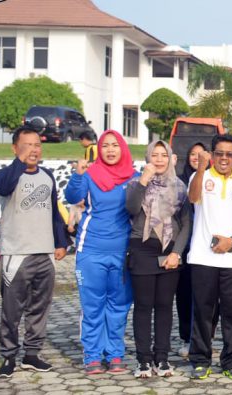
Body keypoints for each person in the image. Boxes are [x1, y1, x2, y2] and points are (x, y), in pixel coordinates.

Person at [0, 127, 69, 378]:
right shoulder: (6, 175)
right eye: (26, 145)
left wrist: (60, 242)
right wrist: (20, 161)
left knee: (40, 307)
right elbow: (3, 188)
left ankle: (32, 354)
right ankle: (8, 356)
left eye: (37, 144)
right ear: (15, 148)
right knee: (12, 309)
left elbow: (55, 213)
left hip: (44, 253)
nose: (33, 150)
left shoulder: (47, 176)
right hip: (17, 254)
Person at [185, 134, 232, 380]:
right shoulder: (201, 176)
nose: (224, 158)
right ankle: (200, 359)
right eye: (219, 153)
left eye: (229, 154)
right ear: (212, 154)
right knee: (204, 312)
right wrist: (202, 168)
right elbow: (193, 199)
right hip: (202, 258)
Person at [65, 129, 137, 375]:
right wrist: (78, 174)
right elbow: (72, 196)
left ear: (123, 148)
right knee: (93, 305)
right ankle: (93, 355)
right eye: (105, 145)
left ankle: (115, 353)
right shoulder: (90, 174)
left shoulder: (134, 177)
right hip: (91, 250)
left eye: (115, 145)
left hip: (123, 252)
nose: (110, 150)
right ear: (98, 149)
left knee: (119, 305)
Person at [125, 140, 192, 378]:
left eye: (164, 155)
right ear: (148, 157)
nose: (160, 159)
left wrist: (177, 253)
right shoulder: (135, 183)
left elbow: (186, 224)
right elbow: (132, 208)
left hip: (169, 252)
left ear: (171, 158)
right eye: (155, 155)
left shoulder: (180, 186)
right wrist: (144, 180)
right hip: (141, 250)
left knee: (164, 307)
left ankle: (161, 359)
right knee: (143, 307)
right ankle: (143, 360)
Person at [174, 142, 215, 358]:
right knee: (185, 294)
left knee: (209, 296)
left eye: (201, 154)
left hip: (208, 246)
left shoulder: (214, 180)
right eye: (192, 154)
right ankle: (186, 337)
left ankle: (206, 336)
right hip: (184, 244)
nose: (196, 157)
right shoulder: (179, 181)